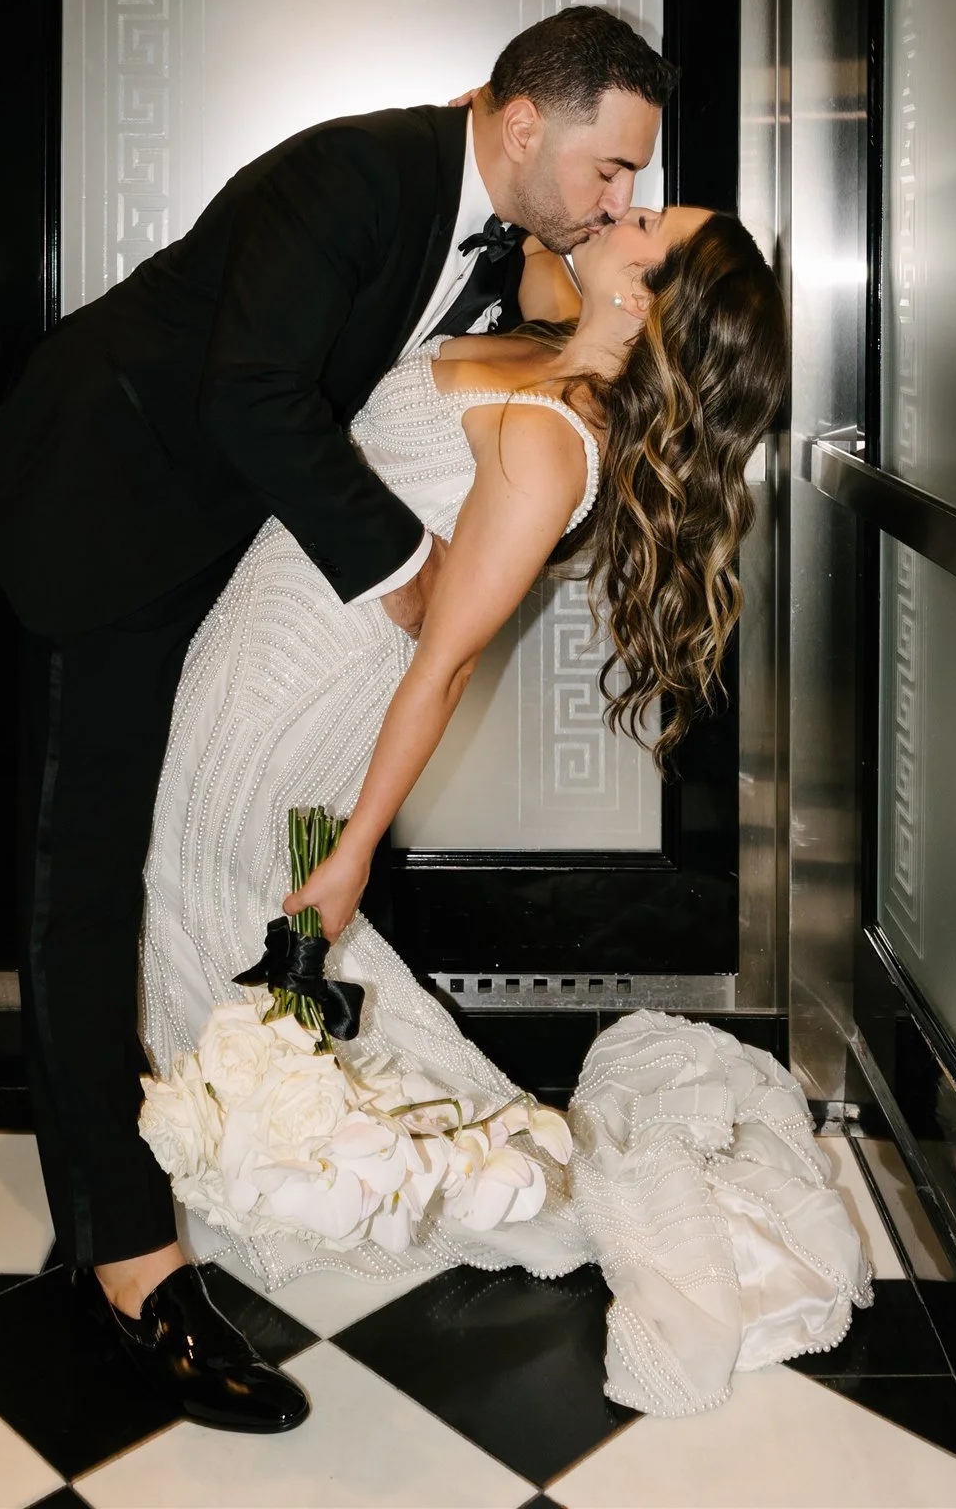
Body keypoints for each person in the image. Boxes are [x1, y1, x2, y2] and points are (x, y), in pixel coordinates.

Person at [0, 5, 679, 1431]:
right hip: (105, 511)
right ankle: (125, 1260)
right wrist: (411, 577)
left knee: (199, 860)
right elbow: (251, 389)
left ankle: (216, 1116)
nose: (620, 202)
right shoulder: (357, 174)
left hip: (222, 553)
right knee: (86, 873)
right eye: (611, 170)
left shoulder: (502, 242)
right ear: (525, 122)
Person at [140, 197, 873, 1417]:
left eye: (640, 221)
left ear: (644, 301)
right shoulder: (541, 343)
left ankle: (300, 1163)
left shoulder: (550, 440)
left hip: (308, 684)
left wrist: (357, 848)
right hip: (260, 629)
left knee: (214, 886)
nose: (616, 209)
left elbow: (443, 659)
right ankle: (261, 1142)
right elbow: (512, 239)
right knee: (195, 888)